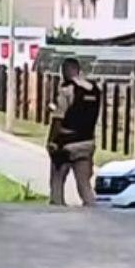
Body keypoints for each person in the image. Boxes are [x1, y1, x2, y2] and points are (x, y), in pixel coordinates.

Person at [47, 57, 101, 206]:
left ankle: (57, 212)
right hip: (87, 143)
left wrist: (51, 141)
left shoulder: (66, 90)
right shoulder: (95, 90)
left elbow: (58, 117)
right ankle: (93, 213)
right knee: (84, 184)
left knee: (57, 181)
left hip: (66, 143)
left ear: (66, 70)